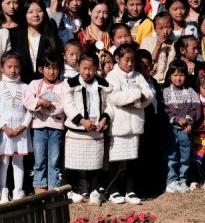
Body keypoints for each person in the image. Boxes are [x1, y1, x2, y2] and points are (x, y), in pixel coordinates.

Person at [105, 43, 156, 205]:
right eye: (126, 60)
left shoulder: (138, 76)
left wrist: (134, 102)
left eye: (132, 60)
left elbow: (148, 95)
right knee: (116, 159)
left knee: (133, 159)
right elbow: (115, 97)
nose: (129, 64)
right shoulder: (112, 76)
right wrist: (136, 95)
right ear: (117, 59)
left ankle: (130, 190)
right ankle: (114, 190)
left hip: (135, 125)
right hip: (118, 125)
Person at [63, 53, 111, 205]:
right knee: (72, 162)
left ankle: (95, 191)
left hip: (96, 130)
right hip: (77, 129)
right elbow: (68, 104)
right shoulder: (70, 83)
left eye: (91, 69)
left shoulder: (104, 84)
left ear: (97, 68)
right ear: (79, 67)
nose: (87, 72)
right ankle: (69, 190)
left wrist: (104, 119)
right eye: (84, 68)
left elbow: (109, 104)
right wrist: (82, 120)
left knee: (95, 164)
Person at [0, 53, 32, 204]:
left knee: (18, 160)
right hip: (4, 130)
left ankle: (18, 190)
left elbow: (30, 110)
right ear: (2, 68)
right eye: (9, 66)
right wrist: (4, 127)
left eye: (16, 66)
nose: (13, 70)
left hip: (21, 129)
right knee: (3, 161)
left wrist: (23, 126)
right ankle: (3, 190)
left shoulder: (26, 87)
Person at [162, 61, 202, 194]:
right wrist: (177, 119)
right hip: (171, 131)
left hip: (186, 131)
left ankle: (182, 180)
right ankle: (171, 180)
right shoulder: (165, 92)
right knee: (171, 156)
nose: (178, 78)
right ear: (169, 76)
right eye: (175, 75)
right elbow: (165, 111)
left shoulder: (191, 92)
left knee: (185, 156)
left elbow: (196, 109)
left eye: (181, 75)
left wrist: (189, 121)